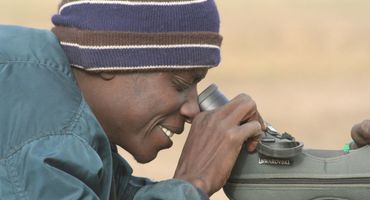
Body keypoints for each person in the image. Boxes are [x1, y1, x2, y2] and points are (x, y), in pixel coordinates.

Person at [0, 0, 368, 199]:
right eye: (180, 82)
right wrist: (192, 182)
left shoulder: (47, 91)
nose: (193, 109)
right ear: (106, 59)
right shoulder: (45, 134)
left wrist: (346, 173)